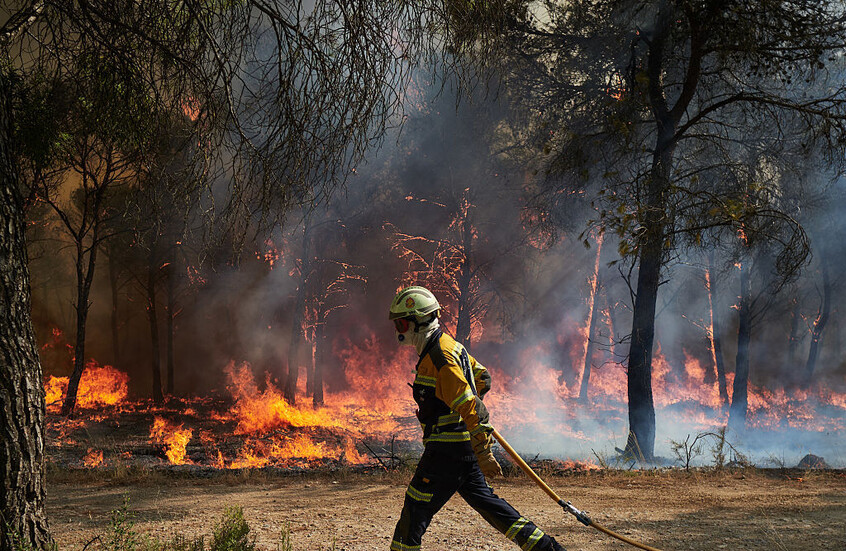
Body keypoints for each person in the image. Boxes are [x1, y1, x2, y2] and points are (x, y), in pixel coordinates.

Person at [389, 285, 567, 551]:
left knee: (414, 513)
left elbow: (472, 406)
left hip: (446, 452)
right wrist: (455, 410)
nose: (397, 330)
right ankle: (547, 549)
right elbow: (483, 377)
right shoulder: (449, 346)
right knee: (492, 507)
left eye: (401, 323)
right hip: (462, 450)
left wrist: (483, 451)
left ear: (419, 321)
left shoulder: (440, 357)